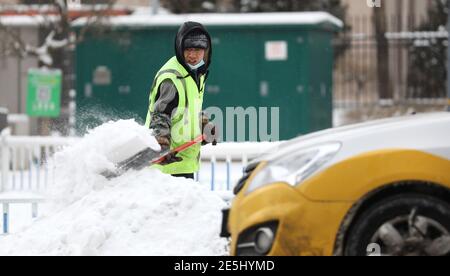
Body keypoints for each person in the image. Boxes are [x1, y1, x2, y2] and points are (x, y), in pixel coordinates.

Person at [145, 21, 217, 180]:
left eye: (198, 50)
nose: (193, 55)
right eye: (188, 50)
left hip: (182, 163)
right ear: (179, 48)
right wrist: (161, 146)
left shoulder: (196, 73)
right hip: (167, 168)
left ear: (206, 51)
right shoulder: (173, 78)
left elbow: (188, 111)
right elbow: (161, 115)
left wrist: (204, 126)